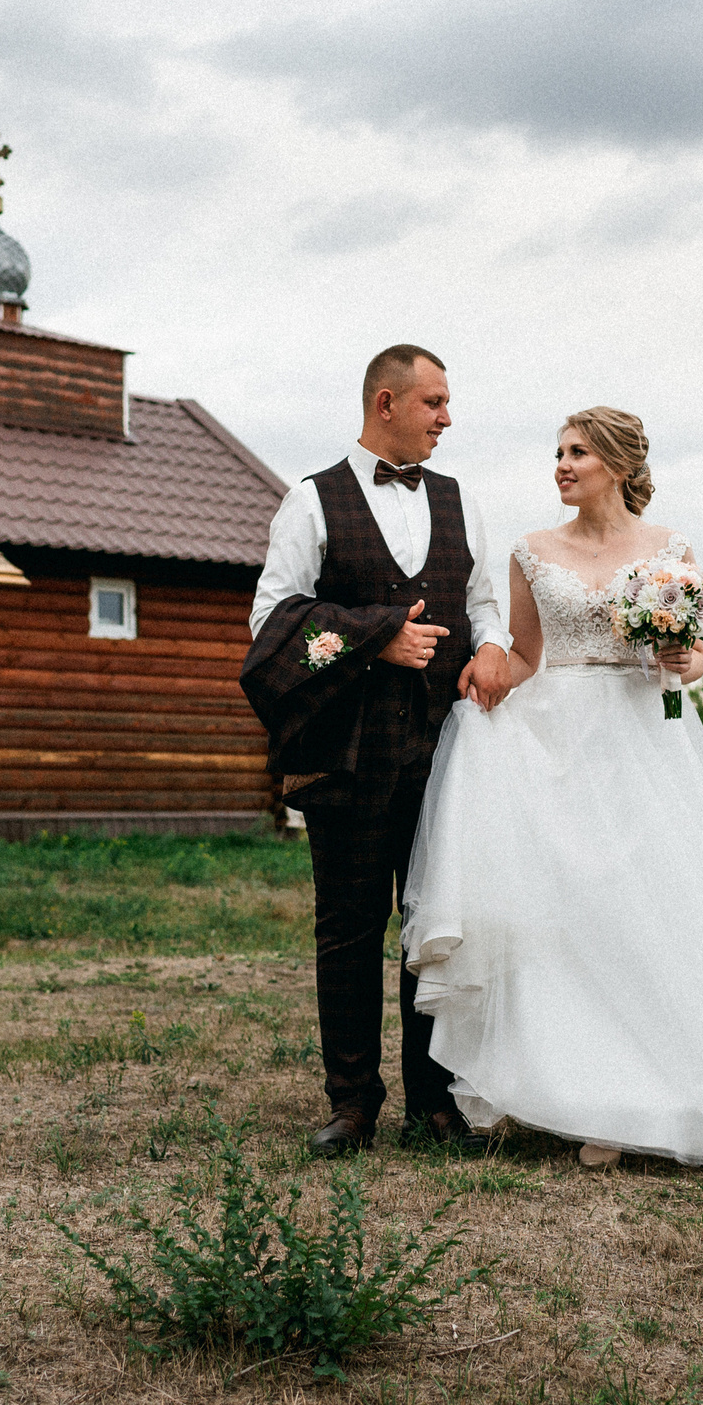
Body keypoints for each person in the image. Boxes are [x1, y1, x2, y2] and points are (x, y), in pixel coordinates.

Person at [400, 407, 703, 1171]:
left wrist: (689, 662)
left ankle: (661, 1089)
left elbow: (694, 653)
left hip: (645, 740)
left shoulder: (669, 550)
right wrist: (488, 673)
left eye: (577, 452)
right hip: (555, 741)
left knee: (654, 911)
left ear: (616, 464)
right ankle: (585, 1092)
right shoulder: (529, 551)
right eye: (557, 451)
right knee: (568, 918)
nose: (561, 464)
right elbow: (525, 654)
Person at [241, 345, 513, 1157]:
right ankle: (353, 1104)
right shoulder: (310, 501)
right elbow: (272, 627)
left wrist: (493, 646)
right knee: (351, 929)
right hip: (349, 754)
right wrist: (373, 637)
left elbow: (484, 603)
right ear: (385, 402)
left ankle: (435, 1102)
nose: (447, 418)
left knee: (435, 925)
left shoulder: (462, 502)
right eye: (434, 401)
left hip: (443, 754)